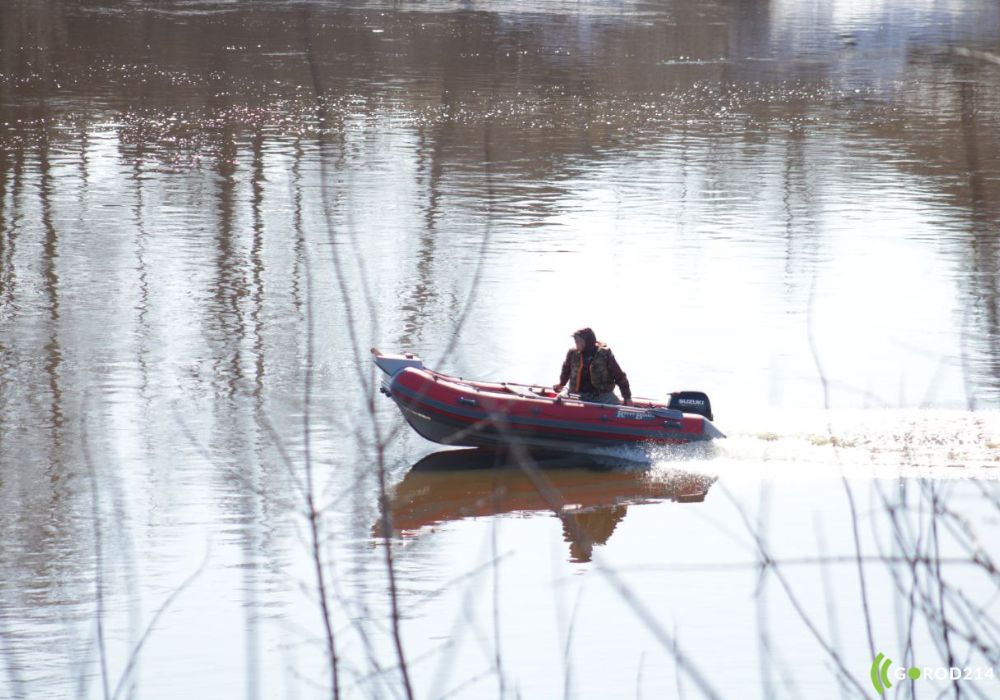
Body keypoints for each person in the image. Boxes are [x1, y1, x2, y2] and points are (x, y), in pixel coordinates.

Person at [553, 327, 633, 406]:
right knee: (558, 400)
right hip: (577, 394)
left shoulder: (605, 355)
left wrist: (627, 397)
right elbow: (566, 369)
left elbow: (619, 376)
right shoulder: (572, 353)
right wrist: (561, 383)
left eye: (578, 340)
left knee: (618, 409)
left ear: (587, 341)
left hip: (602, 396)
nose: (575, 342)